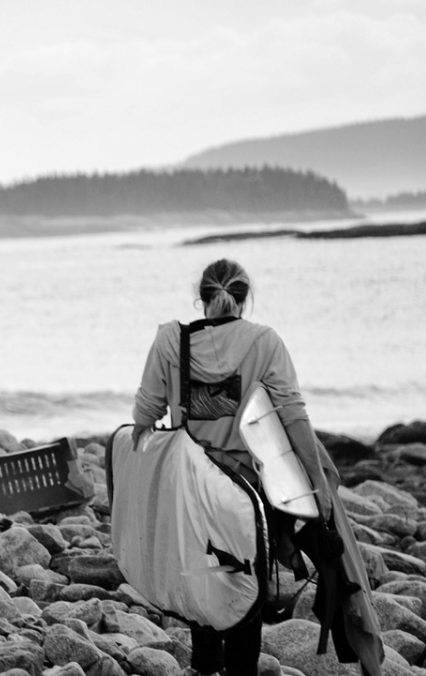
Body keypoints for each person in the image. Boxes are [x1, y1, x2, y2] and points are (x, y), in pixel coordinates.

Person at [131, 259, 345, 676]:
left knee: (201, 573)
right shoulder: (265, 342)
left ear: (202, 297)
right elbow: (292, 415)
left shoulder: (170, 340)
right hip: (248, 491)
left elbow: (145, 412)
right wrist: (317, 482)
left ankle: (206, 666)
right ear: (244, 301)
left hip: (191, 484)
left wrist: (137, 459)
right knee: (247, 582)